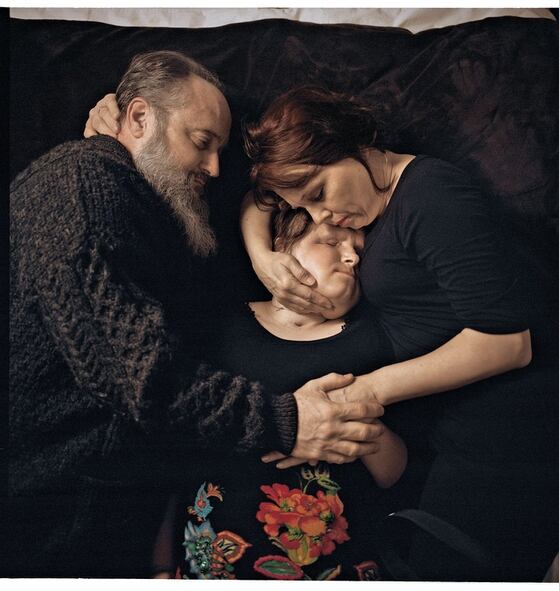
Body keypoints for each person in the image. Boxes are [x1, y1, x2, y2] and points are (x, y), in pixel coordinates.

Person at [8, 55, 385, 578]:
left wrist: (262, 255)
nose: (212, 169)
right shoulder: (82, 185)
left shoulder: (148, 205)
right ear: (138, 119)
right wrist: (288, 421)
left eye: (220, 151)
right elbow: (142, 377)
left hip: (118, 516)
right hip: (52, 519)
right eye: (202, 142)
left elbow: (261, 193)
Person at [238, 86, 559, 581]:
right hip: (448, 435)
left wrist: (364, 392)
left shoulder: (430, 194)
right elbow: (259, 199)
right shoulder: (361, 210)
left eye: (319, 195)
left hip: (516, 428)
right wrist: (265, 259)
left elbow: (507, 341)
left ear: (346, 143)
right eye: (305, 210)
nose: (321, 217)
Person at [150, 208, 408, 580]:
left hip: (333, 568)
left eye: (358, 251)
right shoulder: (220, 328)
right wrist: (160, 564)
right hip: (211, 563)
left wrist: (358, 420)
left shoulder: (371, 341)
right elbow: (174, 454)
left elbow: (392, 473)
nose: (352, 257)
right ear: (280, 250)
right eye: (331, 242)